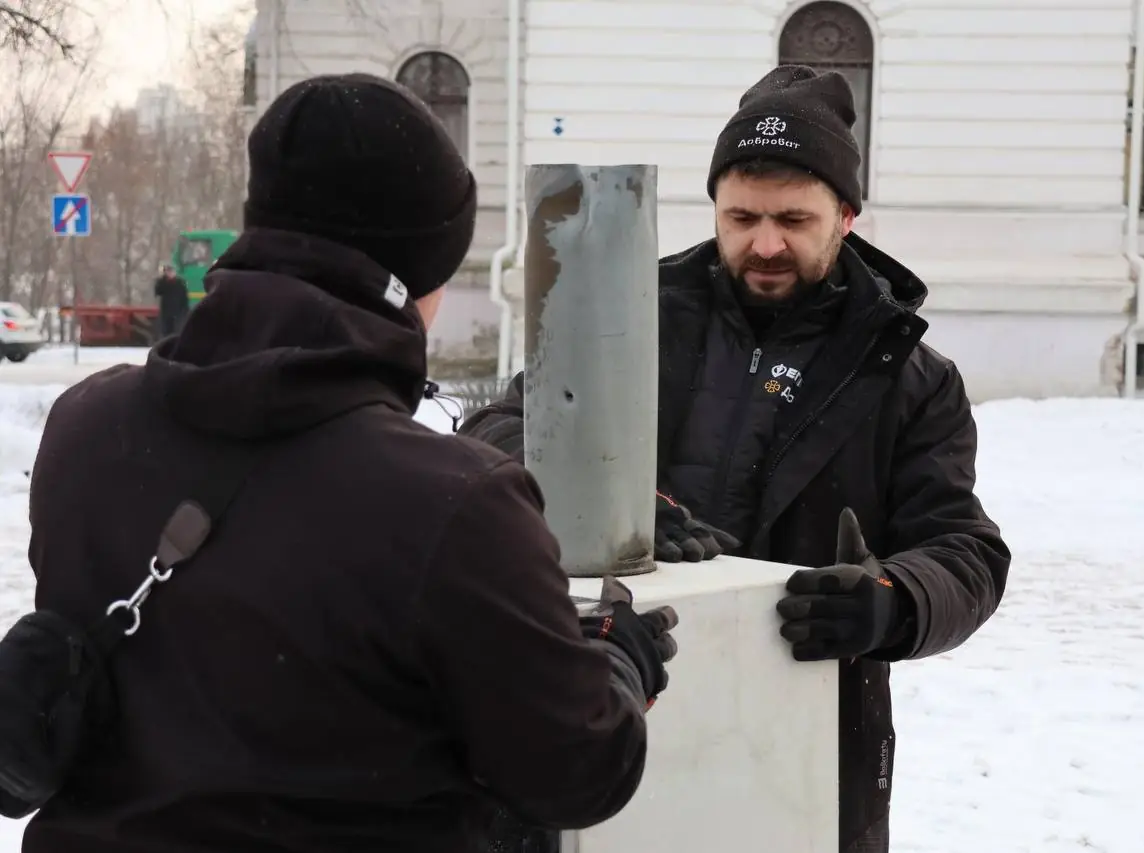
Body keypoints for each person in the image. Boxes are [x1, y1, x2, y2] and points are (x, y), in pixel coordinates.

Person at [23, 73, 678, 853]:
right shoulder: (459, 504)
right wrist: (614, 660)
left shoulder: (86, 427)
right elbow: (573, 770)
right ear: (424, 269)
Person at [459, 64, 1011, 852]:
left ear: (847, 215)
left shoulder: (909, 377)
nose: (766, 243)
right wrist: (600, 495)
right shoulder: (630, 315)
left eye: (794, 218)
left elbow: (966, 550)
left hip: (805, 744)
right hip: (610, 701)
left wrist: (891, 601)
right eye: (742, 216)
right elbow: (496, 430)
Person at [153, 263, 189, 338]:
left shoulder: (180, 283)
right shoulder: (163, 282)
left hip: (178, 312)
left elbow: (185, 298)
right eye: (168, 272)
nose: (170, 273)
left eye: (171, 271)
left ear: (175, 272)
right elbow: (157, 292)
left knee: (177, 331)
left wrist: (185, 310)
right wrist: (162, 279)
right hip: (166, 312)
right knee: (166, 332)